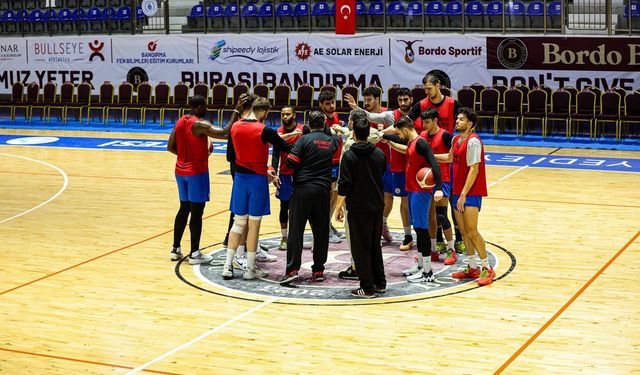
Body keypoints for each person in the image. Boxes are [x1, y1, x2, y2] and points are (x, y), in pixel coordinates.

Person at [221, 98, 293, 280]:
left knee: (237, 224)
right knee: (253, 226)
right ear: (263, 113)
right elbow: (285, 147)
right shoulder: (265, 130)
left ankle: (227, 266)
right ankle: (249, 269)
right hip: (257, 182)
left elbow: (230, 156)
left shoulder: (235, 127)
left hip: (239, 180)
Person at [345, 87, 419, 250]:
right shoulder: (390, 116)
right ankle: (401, 232)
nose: (403, 103)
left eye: (406, 99)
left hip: (417, 164)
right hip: (393, 164)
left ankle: (429, 236)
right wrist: (356, 108)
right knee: (393, 199)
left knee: (418, 203)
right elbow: (369, 116)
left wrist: (382, 133)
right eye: (400, 100)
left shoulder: (417, 114)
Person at [435, 108, 494, 286]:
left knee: (472, 230)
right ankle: (472, 266)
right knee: (462, 230)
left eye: (461, 119)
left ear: (470, 123)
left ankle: (487, 268)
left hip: (470, 192)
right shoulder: (455, 138)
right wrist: (429, 157)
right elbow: (449, 158)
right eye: (457, 119)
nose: (457, 121)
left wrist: (462, 195)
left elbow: (474, 169)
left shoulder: (473, 141)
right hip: (457, 190)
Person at [280, 111, 340, 284]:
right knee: (321, 232)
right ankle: (318, 270)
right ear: (323, 123)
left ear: (308, 124)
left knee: (296, 232)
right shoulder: (331, 141)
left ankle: (292, 271)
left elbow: (290, 162)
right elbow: (333, 136)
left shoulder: (303, 140)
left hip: (302, 190)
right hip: (322, 191)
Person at [407, 73, 466, 253]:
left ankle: (459, 239)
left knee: (453, 203)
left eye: (429, 89)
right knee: (434, 209)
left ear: (438, 86)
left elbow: (466, 119)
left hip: (449, 160)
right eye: (425, 89)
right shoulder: (421, 105)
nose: (427, 92)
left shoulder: (452, 103)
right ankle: (439, 240)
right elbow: (405, 122)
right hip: (430, 163)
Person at [168, 95, 228, 264]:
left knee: (183, 208)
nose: (207, 109)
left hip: (180, 171)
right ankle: (195, 253)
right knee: (197, 212)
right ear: (199, 107)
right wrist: (237, 110)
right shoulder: (199, 124)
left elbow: (170, 146)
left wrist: (188, 157)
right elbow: (224, 132)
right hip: (197, 173)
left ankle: (175, 249)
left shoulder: (181, 121)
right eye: (205, 106)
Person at [383, 116, 443, 282]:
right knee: (417, 229)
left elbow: (435, 165)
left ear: (404, 130)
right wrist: (385, 136)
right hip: (412, 190)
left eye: (398, 133)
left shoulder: (421, 143)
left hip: (420, 192)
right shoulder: (411, 142)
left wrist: (438, 188)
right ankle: (421, 265)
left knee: (421, 229)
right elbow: (396, 140)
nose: (398, 135)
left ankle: (428, 271)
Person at [335, 111, 387, 298]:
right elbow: (380, 174)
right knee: (374, 245)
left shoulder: (349, 156)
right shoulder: (379, 154)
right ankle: (380, 282)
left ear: (354, 133)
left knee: (360, 248)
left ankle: (367, 287)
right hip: (377, 206)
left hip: (358, 208)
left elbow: (344, 184)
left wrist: (338, 206)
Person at [420, 108, 457, 265]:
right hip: (427, 181)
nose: (424, 125)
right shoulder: (422, 136)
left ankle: (451, 250)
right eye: (423, 122)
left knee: (442, 216)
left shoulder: (446, 136)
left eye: (427, 122)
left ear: (435, 121)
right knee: (430, 217)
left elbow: (452, 157)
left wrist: (431, 157)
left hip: (444, 180)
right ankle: (433, 250)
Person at [271, 106, 304, 251]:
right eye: (282, 114)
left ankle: (297, 236)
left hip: (300, 175)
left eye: (287, 114)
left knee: (300, 208)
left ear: (294, 115)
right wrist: (273, 171)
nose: (284, 117)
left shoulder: (303, 130)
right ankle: (284, 237)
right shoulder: (278, 132)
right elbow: (276, 153)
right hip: (284, 175)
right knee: (284, 207)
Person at [318, 90, 345, 243]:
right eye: (327, 103)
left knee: (334, 195)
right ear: (321, 105)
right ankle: (323, 228)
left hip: (337, 161)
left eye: (333, 102)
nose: (331, 106)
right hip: (326, 163)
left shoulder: (335, 115)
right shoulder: (319, 120)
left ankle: (328, 224)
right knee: (327, 197)